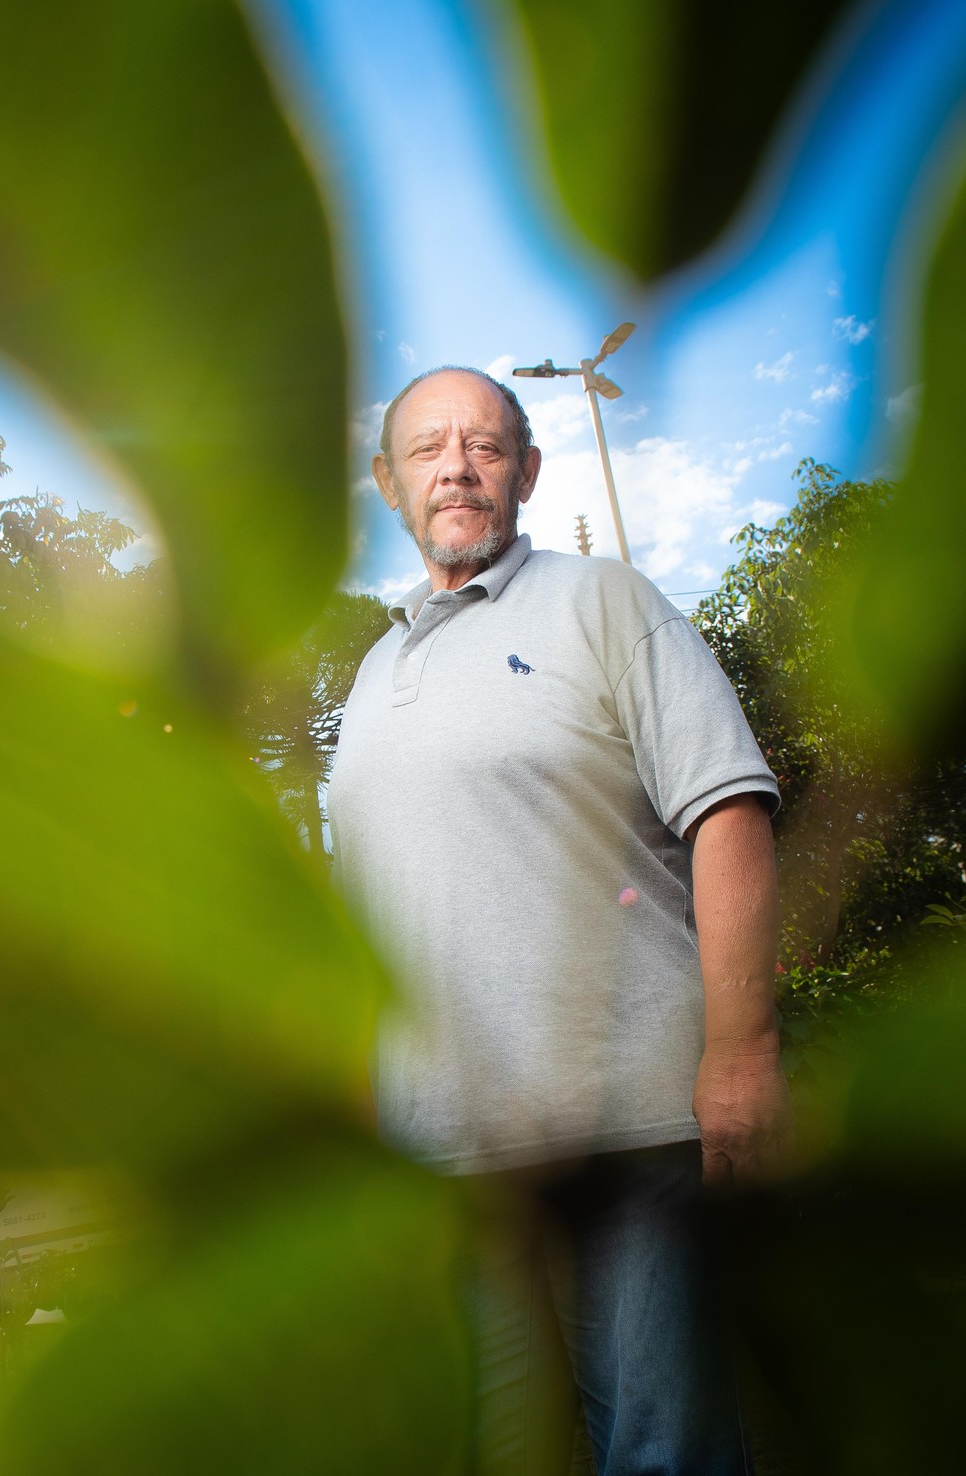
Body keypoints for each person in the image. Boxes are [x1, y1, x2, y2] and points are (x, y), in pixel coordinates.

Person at [327, 366, 793, 1476]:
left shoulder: (606, 603)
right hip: (442, 1152)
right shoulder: (370, 672)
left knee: (668, 1451)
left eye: (486, 445)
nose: (458, 467)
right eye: (429, 448)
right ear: (388, 482)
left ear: (527, 472)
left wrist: (743, 1050)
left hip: (627, 1126)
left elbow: (727, 807)